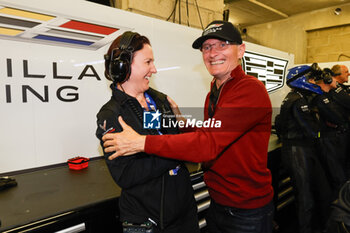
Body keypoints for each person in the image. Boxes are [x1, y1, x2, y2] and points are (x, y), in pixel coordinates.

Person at [102, 21, 274, 233]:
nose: (213, 53)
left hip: (244, 210)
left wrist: (142, 143)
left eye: (222, 45)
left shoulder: (250, 90)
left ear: (241, 50)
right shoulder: (113, 113)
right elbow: (206, 132)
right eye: (207, 47)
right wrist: (180, 125)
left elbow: (206, 144)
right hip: (205, 206)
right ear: (124, 66)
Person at [95, 31, 200, 233]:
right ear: (123, 66)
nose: (154, 69)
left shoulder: (160, 100)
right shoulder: (111, 115)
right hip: (147, 221)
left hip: (184, 213)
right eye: (148, 62)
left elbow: (168, 136)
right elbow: (126, 174)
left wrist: (177, 138)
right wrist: (178, 152)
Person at [275, 64, 332, 233]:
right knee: (305, 197)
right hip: (297, 151)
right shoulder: (298, 101)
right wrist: (325, 134)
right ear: (301, 80)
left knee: (312, 192)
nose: (314, 81)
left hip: (297, 149)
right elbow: (312, 131)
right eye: (311, 79)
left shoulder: (294, 96)